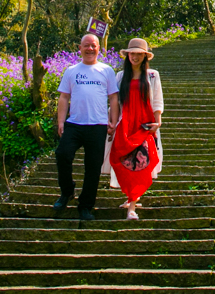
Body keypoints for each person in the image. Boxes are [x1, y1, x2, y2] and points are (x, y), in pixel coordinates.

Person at [54, 33, 117, 221]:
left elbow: (113, 97)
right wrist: (60, 121)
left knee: (93, 167)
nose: (90, 48)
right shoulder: (71, 70)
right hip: (74, 124)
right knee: (62, 155)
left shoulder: (106, 71)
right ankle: (67, 192)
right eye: (86, 45)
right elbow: (64, 97)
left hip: (98, 125)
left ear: (99, 49)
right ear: (80, 48)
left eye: (94, 45)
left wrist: (113, 120)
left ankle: (86, 205)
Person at [106, 37, 164, 220]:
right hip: (125, 123)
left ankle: (132, 206)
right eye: (132, 53)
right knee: (123, 161)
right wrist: (112, 122)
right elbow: (115, 101)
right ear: (127, 55)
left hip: (144, 125)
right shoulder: (121, 76)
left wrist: (157, 122)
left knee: (141, 163)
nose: (135, 57)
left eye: (139, 54)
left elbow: (157, 100)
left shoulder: (152, 75)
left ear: (145, 56)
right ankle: (131, 195)